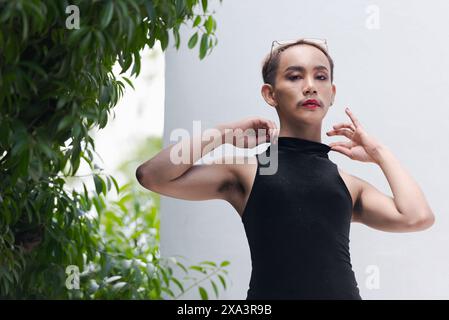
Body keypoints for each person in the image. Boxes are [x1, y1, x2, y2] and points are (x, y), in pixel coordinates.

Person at [136, 38, 435, 299]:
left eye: (320, 77)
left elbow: (417, 217)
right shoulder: (251, 169)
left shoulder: (347, 183)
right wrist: (224, 134)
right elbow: (152, 175)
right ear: (270, 94)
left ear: (332, 93)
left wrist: (379, 153)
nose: (309, 87)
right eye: (294, 77)